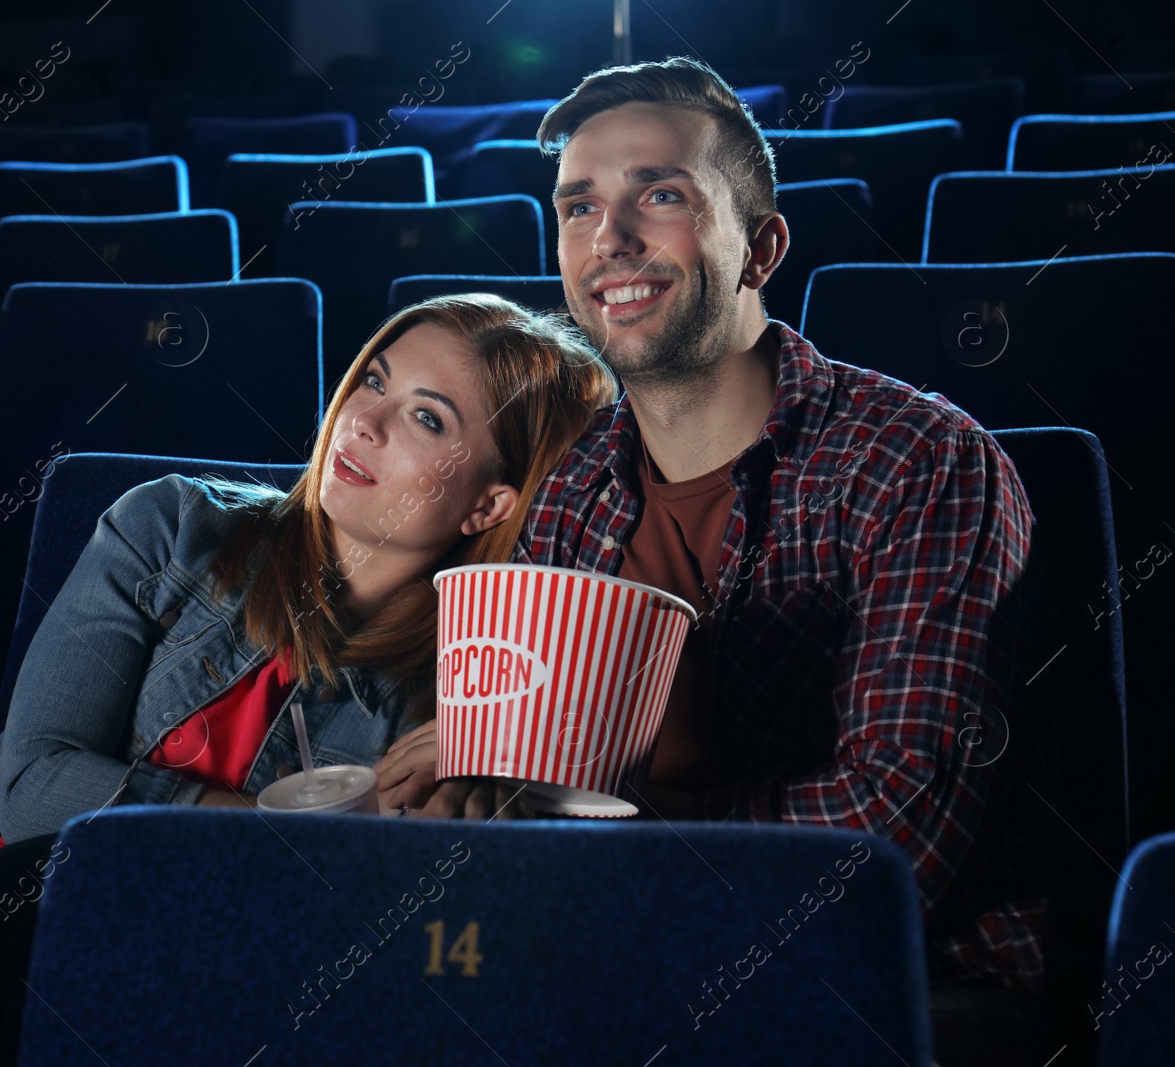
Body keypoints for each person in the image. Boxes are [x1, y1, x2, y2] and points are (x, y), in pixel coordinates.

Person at [373, 58, 1068, 1066]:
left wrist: (588, 812)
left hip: (906, 984)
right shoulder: (567, 489)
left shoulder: (918, 460)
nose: (609, 239)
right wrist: (463, 780)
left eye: (659, 194)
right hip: (624, 955)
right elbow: (509, 789)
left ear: (761, 246)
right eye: (578, 207)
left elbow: (892, 846)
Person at [0, 293, 616, 1066]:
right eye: (374, 380)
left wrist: (476, 792)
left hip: (171, 968)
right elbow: (39, 789)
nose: (364, 420)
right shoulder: (169, 527)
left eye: (427, 418)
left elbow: (374, 934)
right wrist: (286, 831)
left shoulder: (457, 691)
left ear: (489, 503)